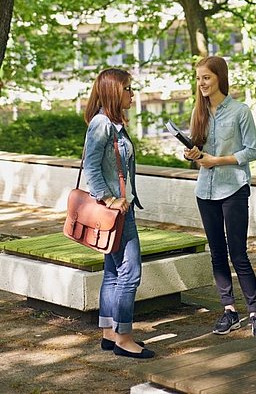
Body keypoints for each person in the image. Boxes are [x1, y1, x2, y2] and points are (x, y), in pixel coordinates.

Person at [184, 56, 256, 336]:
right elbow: (199, 149)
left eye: (206, 78)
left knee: (238, 253)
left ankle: (255, 312)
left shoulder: (241, 111)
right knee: (217, 254)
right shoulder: (199, 111)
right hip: (205, 191)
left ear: (219, 77)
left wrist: (217, 160)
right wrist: (192, 154)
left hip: (233, 188)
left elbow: (252, 151)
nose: (202, 83)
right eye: (198, 79)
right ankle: (229, 311)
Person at [83, 68, 154, 358]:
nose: (132, 94)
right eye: (128, 89)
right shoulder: (102, 124)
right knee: (130, 271)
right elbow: (91, 167)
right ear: (114, 92)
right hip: (115, 211)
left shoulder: (112, 123)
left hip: (119, 209)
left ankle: (109, 332)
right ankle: (124, 338)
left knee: (113, 271)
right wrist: (110, 199)